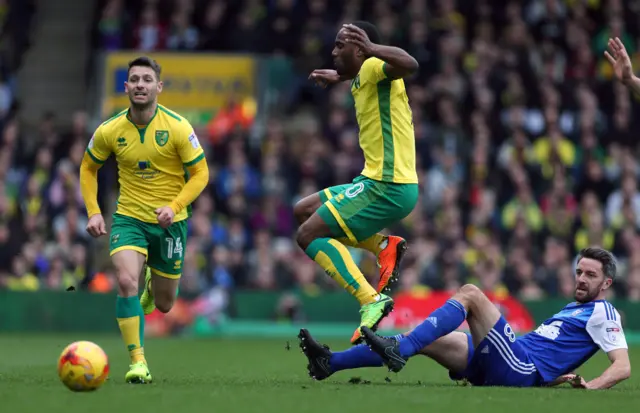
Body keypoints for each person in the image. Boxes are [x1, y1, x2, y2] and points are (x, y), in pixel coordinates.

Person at [300, 247, 631, 389]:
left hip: (519, 367)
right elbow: (556, 353)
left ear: (606, 283)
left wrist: (594, 386)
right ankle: (330, 364)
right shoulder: (575, 309)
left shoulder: (604, 312)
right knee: (426, 338)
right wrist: (558, 377)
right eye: (579, 272)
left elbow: (623, 366)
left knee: (471, 293)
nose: (582, 278)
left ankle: (398, 352)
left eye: (590, 274)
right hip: (515, 364)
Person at [79, 56, 209, 383]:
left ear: (158, 87)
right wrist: (94, 211)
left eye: (147, 80)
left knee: (165, 305)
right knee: (125, 283)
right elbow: (88, 167)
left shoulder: (177, 126)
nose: (140, 84)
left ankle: (153, 284)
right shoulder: (110, 130)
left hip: (171, 222)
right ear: (126, 87)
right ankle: (138, 362)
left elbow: (201, 173)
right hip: (129, 219)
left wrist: (174, 205)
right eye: (134, 79)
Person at [295, 21, 420, 344]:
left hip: (387, 185)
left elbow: (410, 64)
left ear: (361, 49)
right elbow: (359, 74)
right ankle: (382, 246)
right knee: (303, 210)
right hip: (376, 180)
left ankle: (370, 299)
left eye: (340, 46)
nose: (333, 52)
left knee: (307, 234)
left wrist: (373, 49)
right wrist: (339, 75)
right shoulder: (363, 76)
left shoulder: (377, 66)